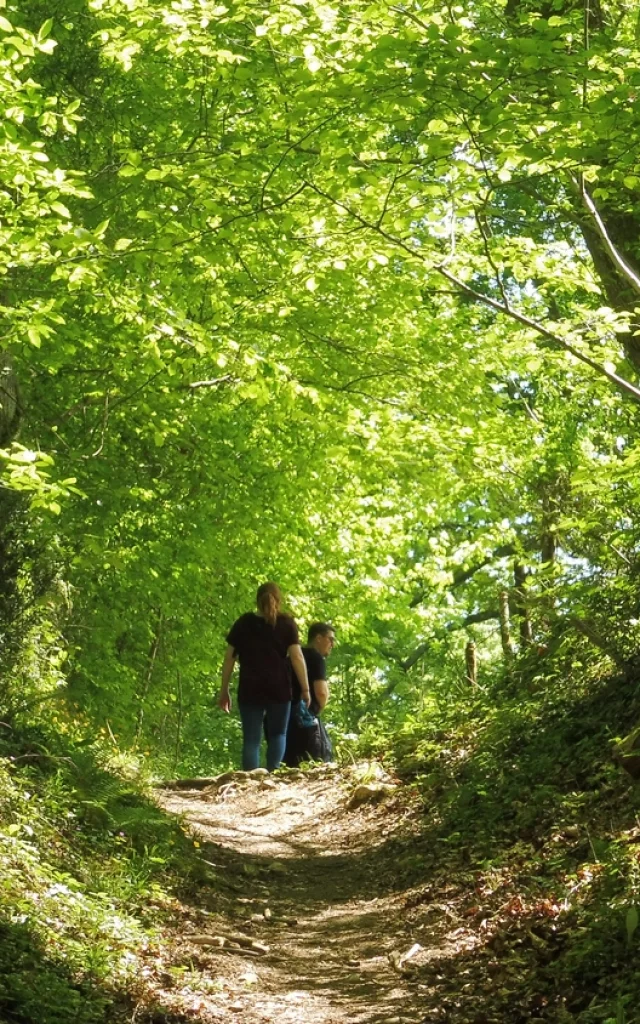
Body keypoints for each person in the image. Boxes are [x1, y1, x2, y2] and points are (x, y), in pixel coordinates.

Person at [218, 582, 310, 772]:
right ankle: (273, 774)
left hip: (250, 687)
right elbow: (297, 657)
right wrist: (306, 688)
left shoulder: (243, 623)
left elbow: (229, 658)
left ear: (257, 600)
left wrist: (224, 689)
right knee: (278, 734)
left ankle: (250, 778)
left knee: (251, 739)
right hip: (279, 687)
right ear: (279, 599)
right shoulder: (287, 624)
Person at [284, 621, 335, 767]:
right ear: (318, 638)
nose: (332, 644)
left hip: (282, 718)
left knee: (287, 764)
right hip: (305, 720)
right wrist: (317, 709)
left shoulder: (290, 658)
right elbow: (321, 693)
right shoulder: (316, 658)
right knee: (308, 765)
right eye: (330, 639)